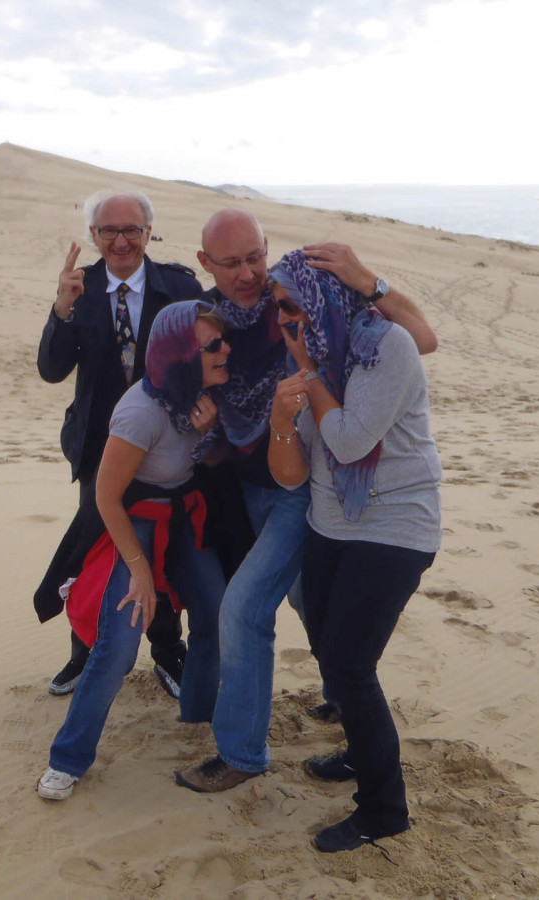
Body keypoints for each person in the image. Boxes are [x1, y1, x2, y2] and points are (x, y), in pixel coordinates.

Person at [176, 210, 437, 793]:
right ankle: (345, 700)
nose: (248, 274)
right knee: (305, 601)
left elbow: (421, 340)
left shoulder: (294, 304)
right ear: (205, 265)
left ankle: (242, 753)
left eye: (255, 258)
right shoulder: (204, 321)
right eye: (232, 263)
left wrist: (370, 280)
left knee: (245, 610)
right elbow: (165, 373)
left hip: (304, 490)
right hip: (245, 487)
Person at [266, 250, 441, 853]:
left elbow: (345, 442)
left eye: (292, 304)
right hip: (330, 524)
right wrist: (281, 420)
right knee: (325, 645)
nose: (283, 317)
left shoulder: (384, 347)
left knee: (350, 667)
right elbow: (295, 471)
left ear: (324, 299)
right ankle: (357, 751)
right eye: (277, 306)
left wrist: (309, 375)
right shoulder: (320, 356)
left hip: (393, 529)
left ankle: (384, 810)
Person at [37, 300, 229, 800]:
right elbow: (105, 495)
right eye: (213, 345)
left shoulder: (208, 393)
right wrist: (140, 571)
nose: (225, 351)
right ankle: (68, 758)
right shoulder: (140, 411)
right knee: (120, 643)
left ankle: (198, 717)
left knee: (217, 610)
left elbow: (216, 463)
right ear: (182, 353)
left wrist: (212, 435)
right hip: (135, 519)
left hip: (184, 514)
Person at [35, 190, 202, 699]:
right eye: (109, 230)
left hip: (167, 449)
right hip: (99, 448)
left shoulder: (178, 285)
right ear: (93, 236)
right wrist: (61, 310)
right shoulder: (79, 288)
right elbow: (51, 370)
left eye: (132, 229)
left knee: (164, 548)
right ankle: (82, 650)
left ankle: (168, 650)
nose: (121, 240)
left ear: (150, 232)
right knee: (94, 549)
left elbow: (210, 350)